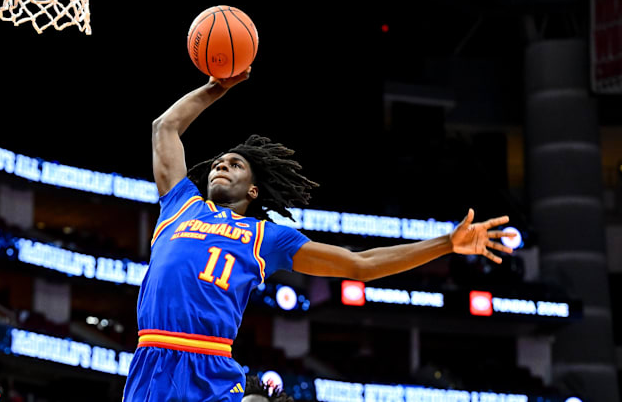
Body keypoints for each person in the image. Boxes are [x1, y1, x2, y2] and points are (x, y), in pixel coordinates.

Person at [121, 68, 516, 401]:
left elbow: (360, 265)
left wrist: (446, 243)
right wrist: (217, 87)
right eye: (219, 163)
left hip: (210, 364)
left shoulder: (266, 237)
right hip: (150, 357)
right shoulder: (180, 204)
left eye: (236, 164)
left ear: (254, 190)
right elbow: (165, 126)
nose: (222, 165)